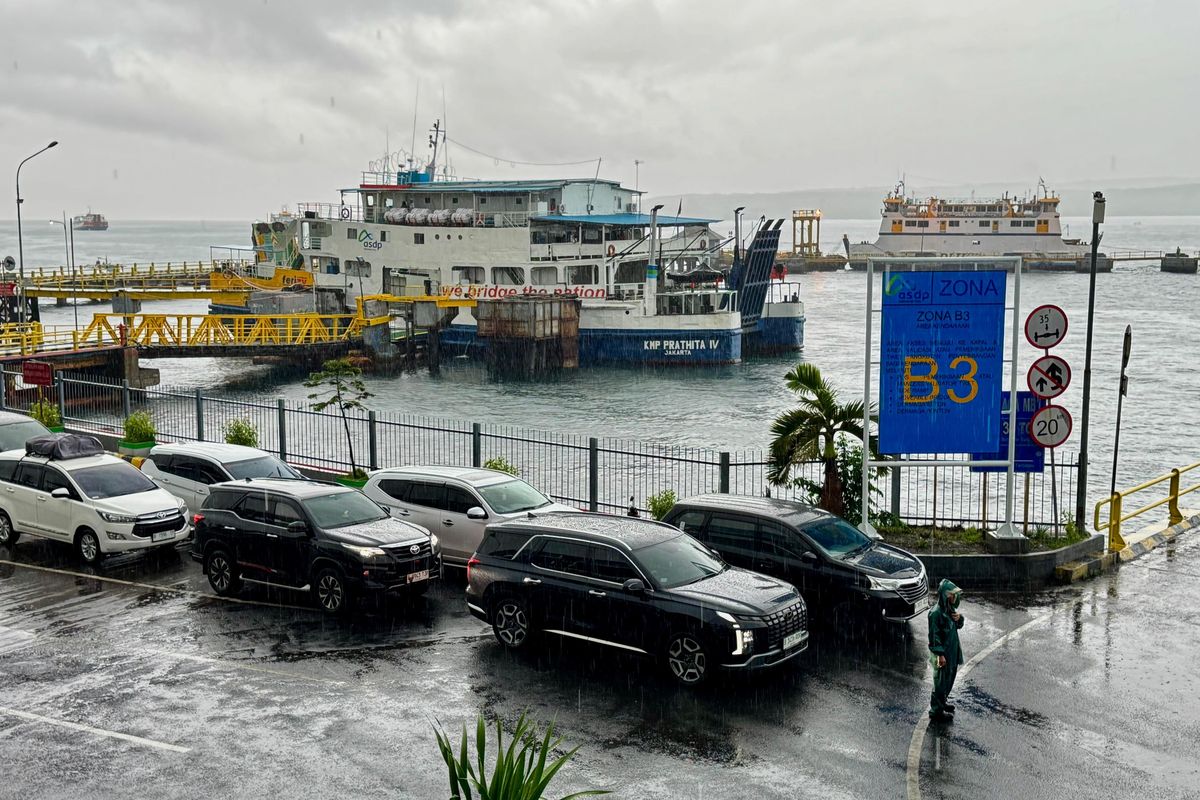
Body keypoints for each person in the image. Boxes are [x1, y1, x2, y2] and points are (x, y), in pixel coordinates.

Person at [927, 579, 964, 722]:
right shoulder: (936, 613)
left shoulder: (949, 609)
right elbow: (934, 636)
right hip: (942, 655)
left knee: (949, 679)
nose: (954, 597)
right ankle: (936, 711)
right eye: (952, 594)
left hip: (952, 652)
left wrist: (960, 618)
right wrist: (940, 654)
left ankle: (942, 702)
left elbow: (958, 626)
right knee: (940, 682)